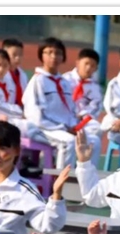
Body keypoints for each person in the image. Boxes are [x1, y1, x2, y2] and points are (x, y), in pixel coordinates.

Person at [0, 121, 68, 234]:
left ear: (17, 150)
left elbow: (49, 225)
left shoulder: (24, 190)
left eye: (2, 148)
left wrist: (56, 195)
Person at [22, 37, 102, 169]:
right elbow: (35, 115)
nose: (54, 56)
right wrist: (63, 128)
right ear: (41, 55)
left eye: (58, 53)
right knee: (68, 142)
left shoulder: (64, 82)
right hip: (42, 128)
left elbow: (70, 110)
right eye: (49, 52)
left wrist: (74, 127)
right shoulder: (38, 81)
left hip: (64, 127)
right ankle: (62, 179)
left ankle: (88, 177)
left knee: (94, 140)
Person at [62, 48, 103, 130]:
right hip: (64, 115)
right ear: (77, 63)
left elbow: (95, 107)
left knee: (97, 128)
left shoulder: (95, 87)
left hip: (82, 119)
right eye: (86, 63)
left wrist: (81, 115)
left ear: (96, 68)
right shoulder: (65, 79)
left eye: (92, 66)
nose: (88, 68)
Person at [2, 38, 28, 110]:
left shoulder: (23, 75)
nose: (18, 58)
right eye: (14, 55)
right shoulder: (0, 75)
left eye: (20, 55)